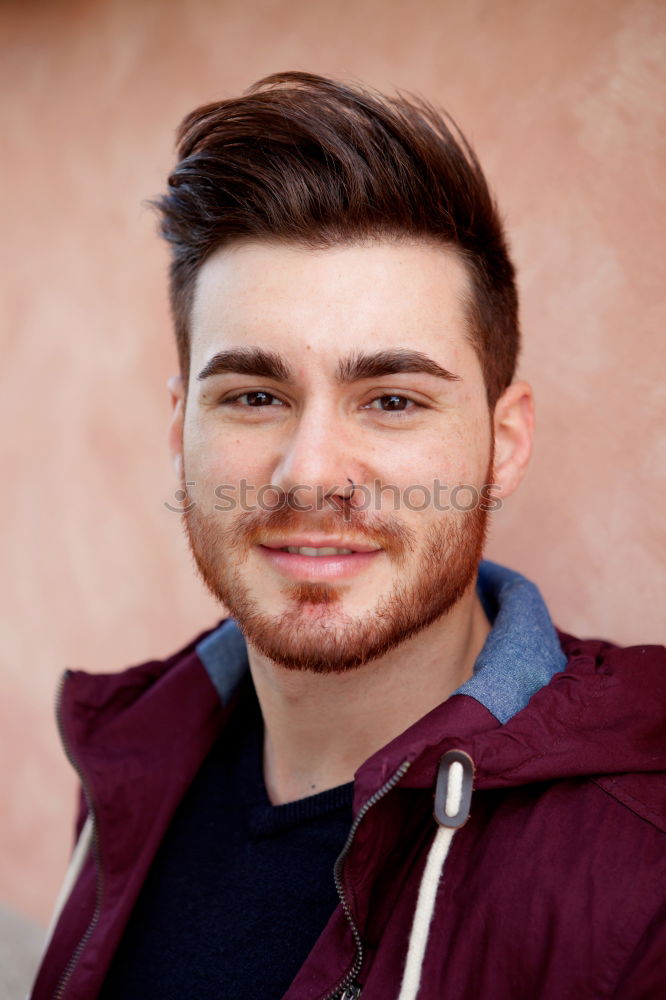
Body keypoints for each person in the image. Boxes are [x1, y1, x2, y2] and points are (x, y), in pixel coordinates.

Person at [31, 71, 665, 1000]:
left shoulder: (638, 880)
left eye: (393, 400)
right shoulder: (134, 757)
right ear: (180, 430)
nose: (311, 473)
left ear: (505, 441)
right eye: (253, 396)